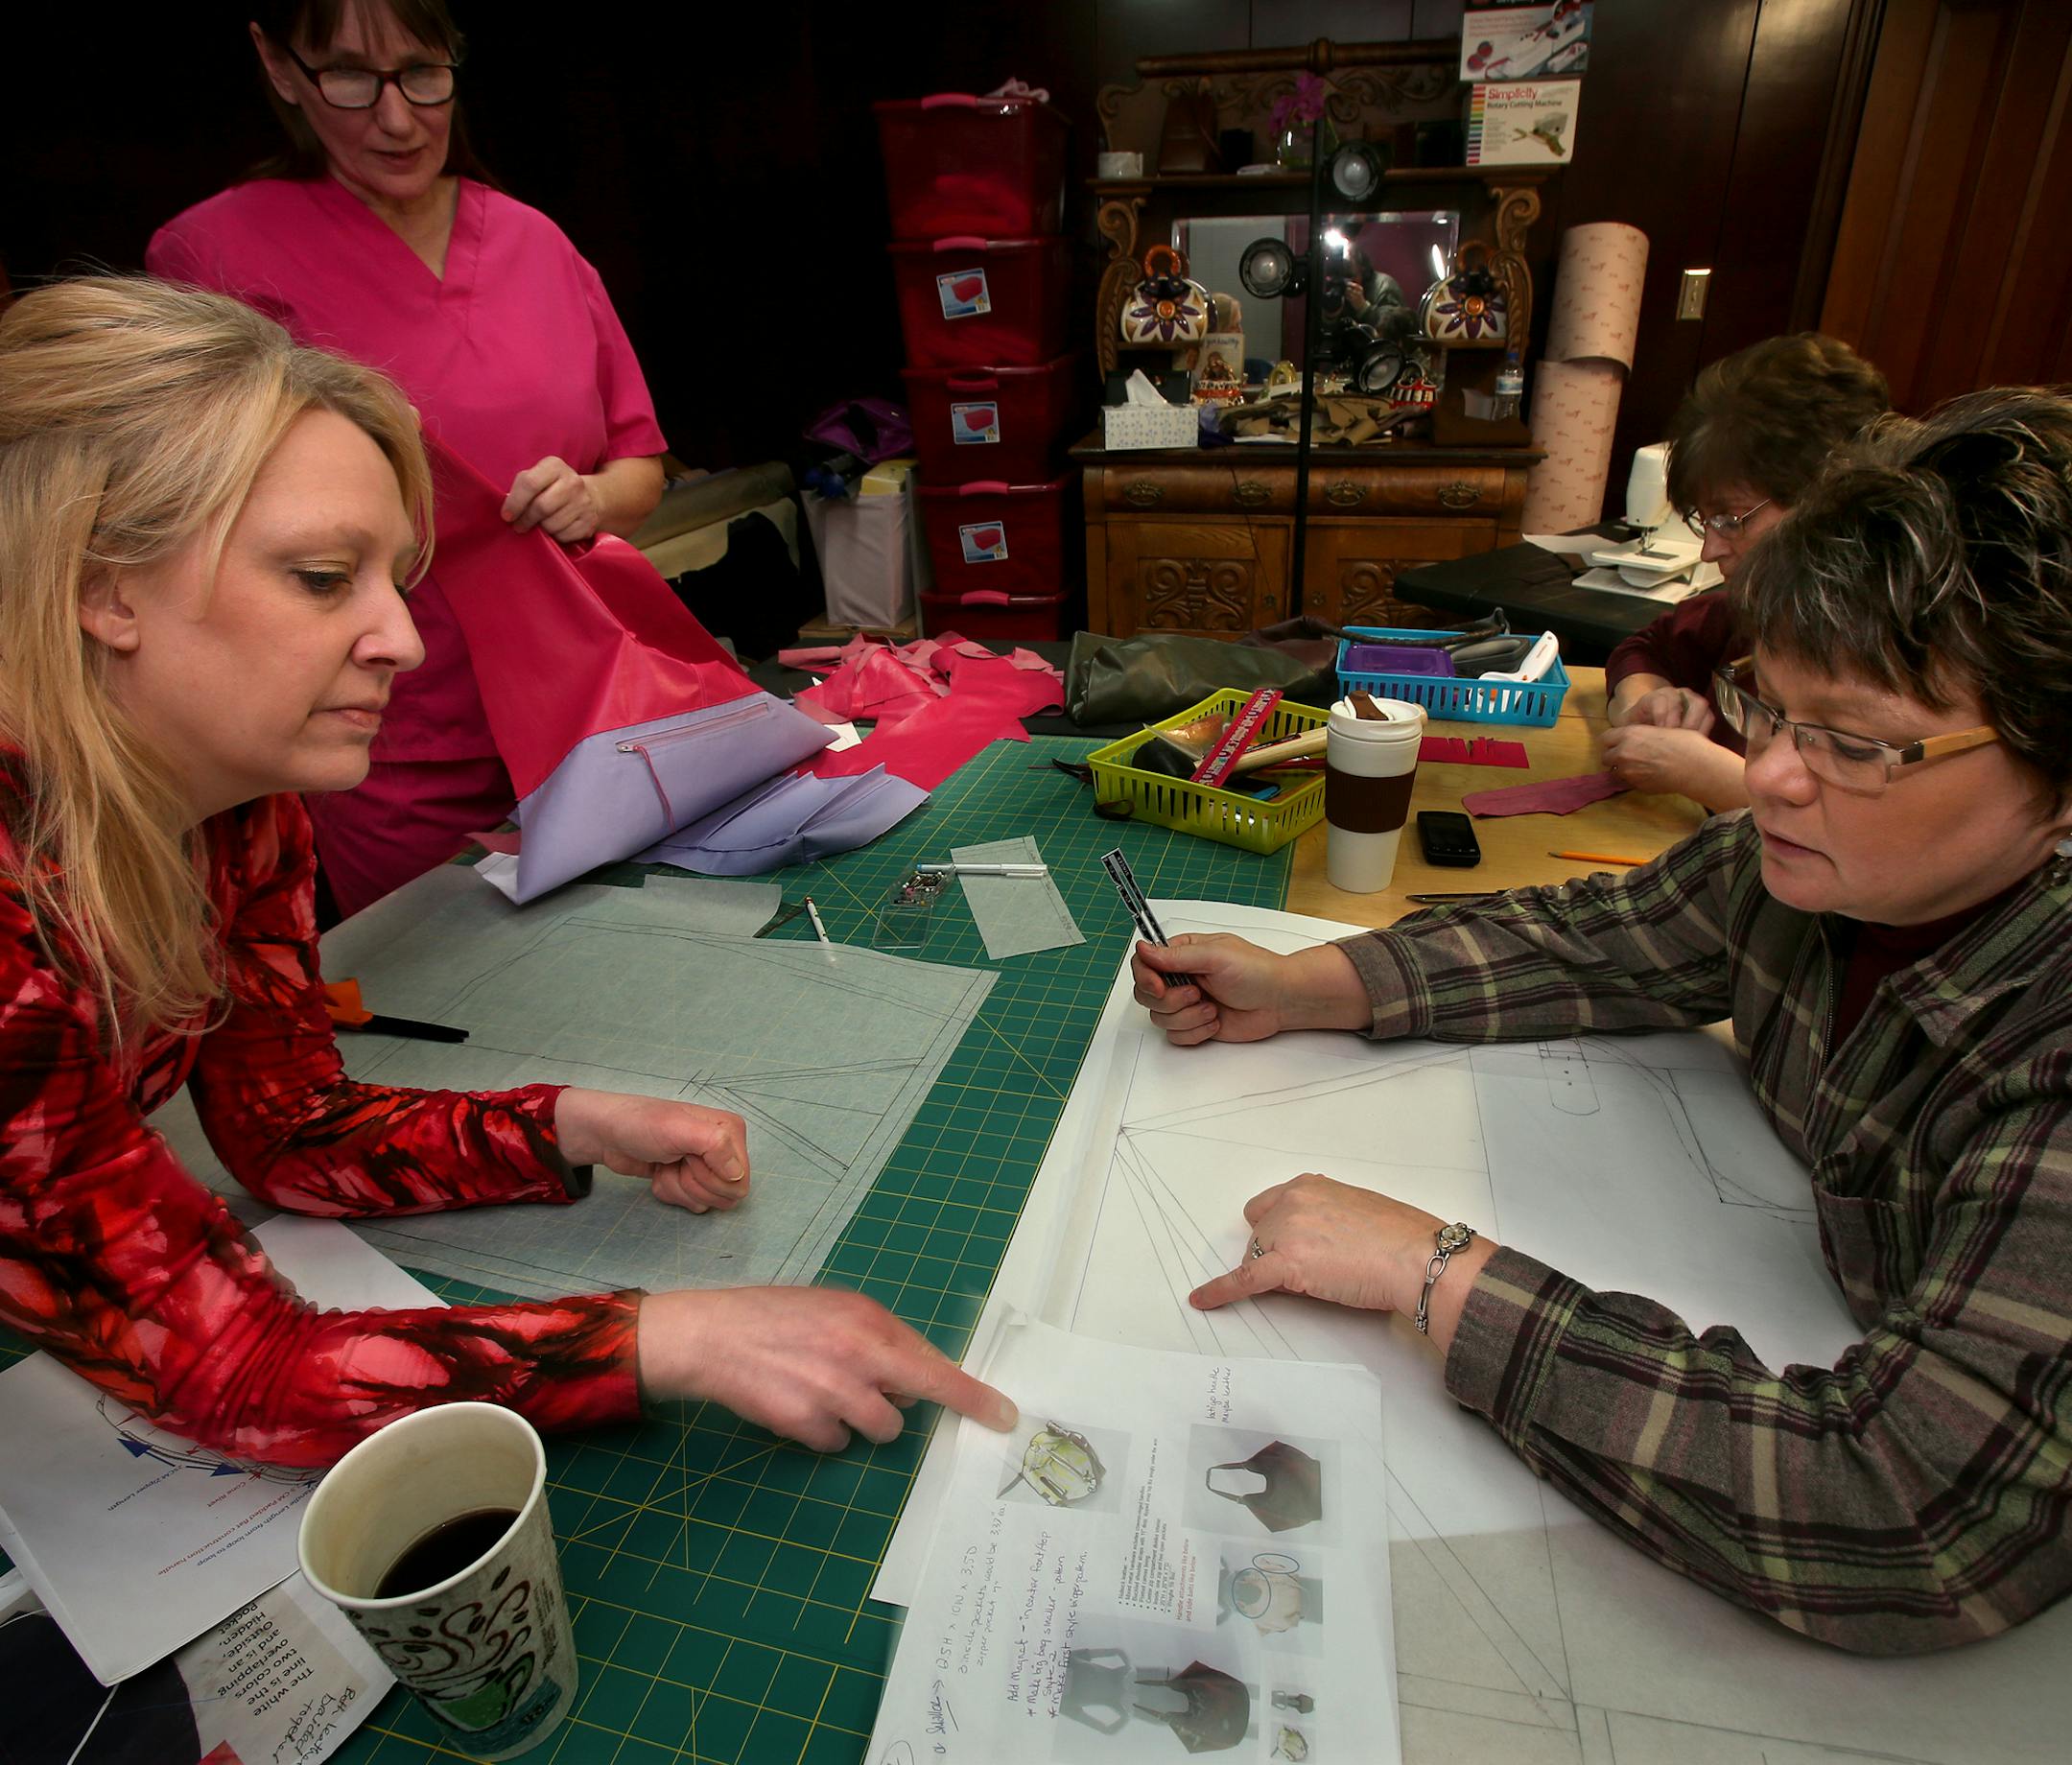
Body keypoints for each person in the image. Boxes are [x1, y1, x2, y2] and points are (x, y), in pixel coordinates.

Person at [0, 275, 1013, 1469]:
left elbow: (286, 1127)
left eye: (395, 580)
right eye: (324, 578)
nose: (404, 639)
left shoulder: (236, 806)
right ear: (102, 589)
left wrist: (565, 1127)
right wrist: (662, 1342)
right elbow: (240, 1367)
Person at [1133, 386, 2072, 1655]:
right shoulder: (1822, 867)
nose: (1777, 776)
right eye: (1772, 707)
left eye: (1857, 744)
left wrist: (1441, 1278)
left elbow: (1902, 1517)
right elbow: (1604, 941)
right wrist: (1314, 983)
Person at [146, 1, 671, 919]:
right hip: (384, 731)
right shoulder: (213, 254)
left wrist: (589, 497)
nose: (396, 119)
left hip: (588, 713)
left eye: (424, 74)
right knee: (445, 992)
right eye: (349, 76)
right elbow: (189, 529)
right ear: (279, 68)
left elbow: (643, 467)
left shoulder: (534, 243)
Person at [1601, 333, 1889, 810]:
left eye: (1732, 520)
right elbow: (1645, 649)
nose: (1710, 550)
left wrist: (1701, 771)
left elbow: (1871, 835)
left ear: (1825, 500)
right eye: (1704, 520)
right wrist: (1646, 703)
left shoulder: (1890, 650)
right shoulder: (1748, 611)